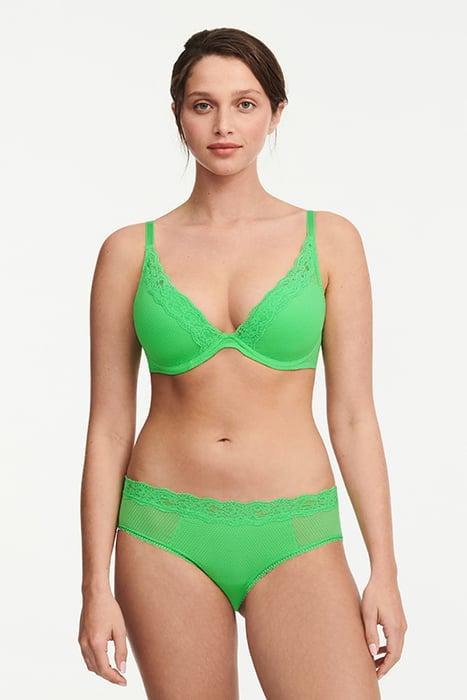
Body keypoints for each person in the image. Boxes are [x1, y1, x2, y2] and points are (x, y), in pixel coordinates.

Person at [78, 27, 407, 699]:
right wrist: (93, 587)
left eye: (245, 104)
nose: (223, 125)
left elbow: (353, 415)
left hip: (295, 530)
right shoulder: (129, 252)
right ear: (179, 114)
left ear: (275, 114)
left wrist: (384, 570)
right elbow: (109, 426)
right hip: (163, 533)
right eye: (203, 105)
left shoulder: (329, 240)